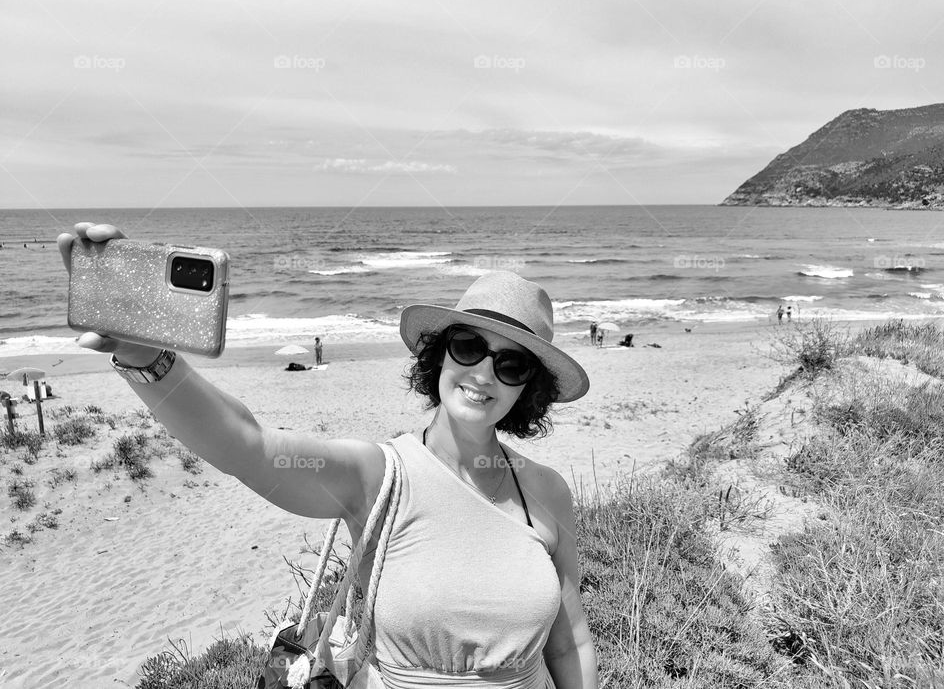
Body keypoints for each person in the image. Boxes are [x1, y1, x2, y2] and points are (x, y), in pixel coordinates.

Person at [57, 222, 598, 688]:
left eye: (511, 364)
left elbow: (569, 641)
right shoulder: (379, 476)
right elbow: (247, 446)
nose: (483, 373)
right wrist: (143, 352)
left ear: (528, 388)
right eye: (468, 347)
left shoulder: (546, 492)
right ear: (439, 356)